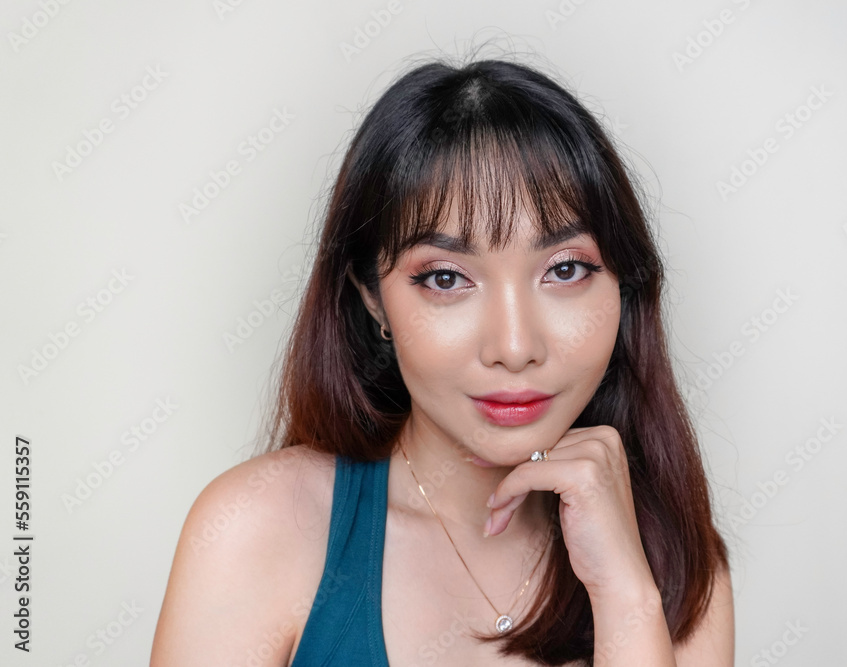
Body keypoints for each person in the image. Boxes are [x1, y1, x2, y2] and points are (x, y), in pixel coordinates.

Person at [151, 55, 734, 666]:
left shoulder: (676, 568)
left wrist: (625, 597)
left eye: (564, 270)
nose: (514, 347)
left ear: (624, 285)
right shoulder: (259, 529)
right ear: (372, 298)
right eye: (447, 278)